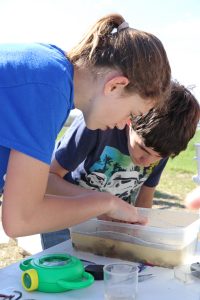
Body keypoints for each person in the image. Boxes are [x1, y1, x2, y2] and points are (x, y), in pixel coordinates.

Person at [0, 14, 171, 238]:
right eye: (131, 113)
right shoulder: (49, 89)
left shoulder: (52, 70)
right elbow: (20, 220)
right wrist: (105, 202)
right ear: (115, 86)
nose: (123, 125)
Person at [41, 81, 200, 249]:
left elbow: (144, 199)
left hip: (105, 225)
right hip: (61, 219)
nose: (147, 161)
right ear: (131, 119)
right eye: (142, 149)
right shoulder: (97, 125)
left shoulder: (160, 148)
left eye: (158, 157)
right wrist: (101, 204)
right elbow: (47, 180)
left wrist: (139, 232)